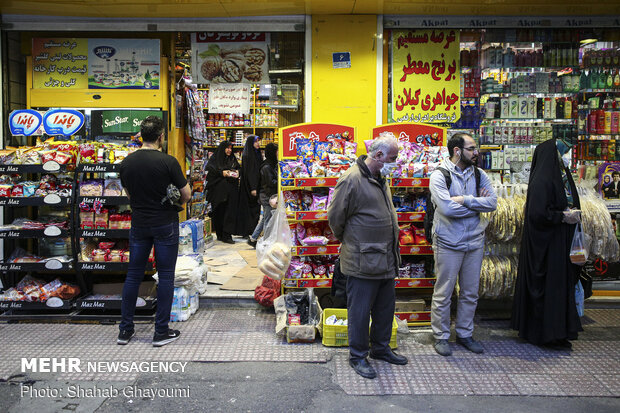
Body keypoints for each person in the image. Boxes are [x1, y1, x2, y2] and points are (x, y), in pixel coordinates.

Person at [327, 134, 408, 380]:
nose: (396, 162)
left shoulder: (380, 178)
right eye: (393, 157)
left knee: (385, 308)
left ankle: (381, 348)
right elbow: (335, 218)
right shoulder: (351, 179)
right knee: (360, 312)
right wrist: (352, 240)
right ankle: (358, 356)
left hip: (385, 258)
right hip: (362, 260)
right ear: (379, 155)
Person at [118, 116, 191, 347]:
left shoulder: (127, 162)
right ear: (161, 137)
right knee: (166, 275)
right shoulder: (168, 162)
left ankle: (125, 330)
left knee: (133, 275)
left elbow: (129, 195)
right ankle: (160, 332)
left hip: (139, 223)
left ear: (141, 136)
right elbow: (186, 194)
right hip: (164, 223)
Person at [429, 133, 497, 357]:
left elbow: (492, 203)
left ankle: (465, 333)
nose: (476, 152)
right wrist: (477, 205)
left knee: (470, 292)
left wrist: (466, 200)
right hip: (448, 241)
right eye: (471, 148)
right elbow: (447, 209)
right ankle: (440, 336)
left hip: (474, 241)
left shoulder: (479, 174)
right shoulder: (439, 176)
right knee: (444, 291)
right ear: (457, 151)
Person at [511, 138, 583, 350]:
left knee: (560, 286)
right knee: (549, 287)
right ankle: (545, 334)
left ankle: (558, 332)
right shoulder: (543, 180)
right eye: (563, 153)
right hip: (546, 245)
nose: (567, 158)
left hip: (560, 242)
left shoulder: (561, 176)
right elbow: (538, 213)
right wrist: (561, 217)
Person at [206, 141, 240, 244]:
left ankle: (227, 235)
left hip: (231, 191)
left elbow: (238, 167)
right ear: (223, 148)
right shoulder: (215, 159)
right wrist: (222, 173)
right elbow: (210, 172)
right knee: (219, 212)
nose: (229, 150)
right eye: (227, 148)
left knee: (229, 213)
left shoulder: (232, 158)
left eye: (230, 148)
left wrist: (238, 172)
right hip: (219, 192)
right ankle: (220, 234)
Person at [231, 135, 263, 237]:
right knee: (249, 210)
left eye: (258, 141)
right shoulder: (248, 155)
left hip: (256, 185)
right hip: (250, 187)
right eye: (256, 142)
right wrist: (253, 187)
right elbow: (250, 173)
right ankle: (248, 231)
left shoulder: (256, 154)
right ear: (251, 143)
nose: (258, 143)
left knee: (255, 210)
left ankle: (252, 230)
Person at [248, 143, 278, 248]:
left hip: (268, 195)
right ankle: (266, 243)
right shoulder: (266, 166)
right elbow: (270, 182)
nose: (278, 153)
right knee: (267, 220)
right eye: (276, 151)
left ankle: (253, 238)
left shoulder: (271, 164)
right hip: (267, 196)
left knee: (265, 217)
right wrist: (281, 180)